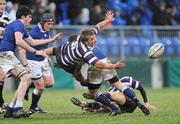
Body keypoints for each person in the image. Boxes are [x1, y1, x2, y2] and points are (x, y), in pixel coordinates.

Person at [44, 11, 150, 116]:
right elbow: (98, 64)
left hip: (91, 65)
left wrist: (108, 20)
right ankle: (138, 103)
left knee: (94, 93)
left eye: (94, 38)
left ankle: (115, 108)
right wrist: (114, 66)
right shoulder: (84, 51)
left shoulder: (84, 43)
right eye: (92, 39)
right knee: (118, 85)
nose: (94, 40)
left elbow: (98, 27)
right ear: (85, 41)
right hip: (83, 62)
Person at [0, 6, 62, 118]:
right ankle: (18, 108)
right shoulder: (18, 24)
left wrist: (52, 40)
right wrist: (35, 53)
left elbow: (32, 42)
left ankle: (10, 110)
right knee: (26, 78)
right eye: (29, 17)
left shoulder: (20, 27)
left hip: (5, 55)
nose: (30, 19)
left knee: (26, 79)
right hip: (5, 55)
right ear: (23, 17)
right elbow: (19, 41)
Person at [20, 13, 60, 113]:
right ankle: (34, 107)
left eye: (51, 24)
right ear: (42, 23)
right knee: (40, 87)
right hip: (32, 61)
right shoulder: (33, 33)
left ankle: (28, 86)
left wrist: (46, 56)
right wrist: (25, 64)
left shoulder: (47, 31)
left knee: (50, 83)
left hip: (43, 60)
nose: (50, 26)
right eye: (48, 24)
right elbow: (22, 49)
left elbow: (43, 48)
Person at [71, 76, 156, 114]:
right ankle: (87, 104)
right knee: (107, 104)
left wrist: (146, 102)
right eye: (107, 79)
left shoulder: (125, 80)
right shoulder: (110, 89)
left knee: (110, 95)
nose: (107, 80)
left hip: (131, 102)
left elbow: (140, 87)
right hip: (126, 108)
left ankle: (95, 97)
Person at [0, 0, 11, 114]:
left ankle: (1, 103)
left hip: (1, 51)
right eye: (0, 4)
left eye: (3, 4)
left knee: (1, 76)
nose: (2, 6)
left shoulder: (7, 19)